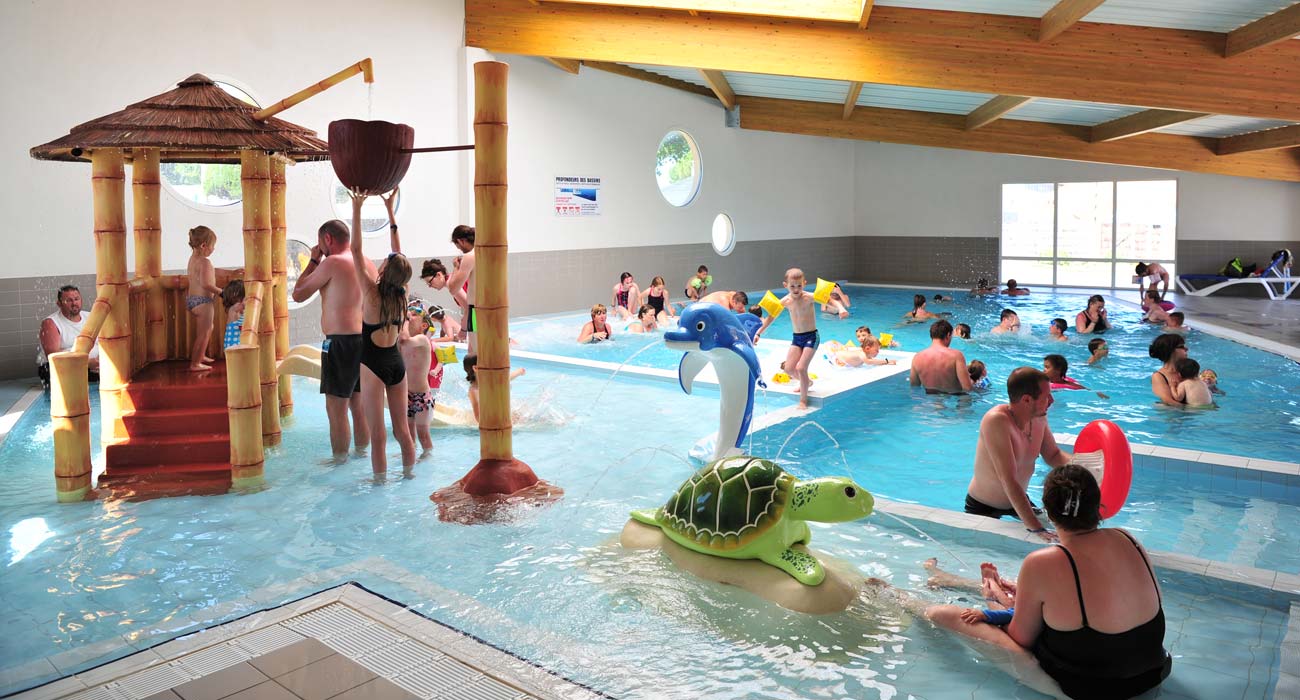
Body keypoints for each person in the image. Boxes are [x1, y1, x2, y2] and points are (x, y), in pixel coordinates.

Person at [928, 464, 1172, 699]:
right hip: (1156, 671)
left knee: (940, 613)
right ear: (1098, 505)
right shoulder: (1127, 538)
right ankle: (981, 588)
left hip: (1098, 690)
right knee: (1029, 599)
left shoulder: (1044, 562)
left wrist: (998, 607)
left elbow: (1020, 639)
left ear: (1049, 511)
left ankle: (907, 597)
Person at [343, 190, 417, 474]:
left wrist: (357, 207)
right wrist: (390, 211)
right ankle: (409, 476)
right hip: (396, 365)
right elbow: (399, 254)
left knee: (378, 436)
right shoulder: (403, 294)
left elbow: (356, 251)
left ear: (386, 269)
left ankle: (379, 485)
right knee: (402, 431)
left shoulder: (372, 294)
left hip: (372, 366)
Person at [292, 208, 370, 461]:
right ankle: (362, 454)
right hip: (365, 341)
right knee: (358, 406)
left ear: (327, 239)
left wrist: (313, 261)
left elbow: (299, 293)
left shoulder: (332, 262)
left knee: (336, 409)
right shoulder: (365, 261)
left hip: (340, 343)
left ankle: (339, 463)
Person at [965, 367, 1072, 539]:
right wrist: (1037, 529)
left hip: (1018, 499)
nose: (1051, 400)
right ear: (1027, 400)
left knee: (1063, 532)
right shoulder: (997, 421)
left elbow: (1053, 455)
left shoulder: (1039, 418)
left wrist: (1085, 464)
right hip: (984, 505)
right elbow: (1008, 479)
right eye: (1046, 397)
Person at [754, 268, 818, 409]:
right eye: (792, 286)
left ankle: (803, 401)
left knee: (801, 368)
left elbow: (828, 298)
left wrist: (841, 308)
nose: (796, 289)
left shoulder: (809, 297)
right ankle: (807, 382)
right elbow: (771, 318)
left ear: (804, 284)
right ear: (785, 285)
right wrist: (759, 332)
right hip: (797, 338)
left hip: (811, 336)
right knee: (788, 369)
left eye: (799, 286)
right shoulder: (785, 301)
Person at [36, 285, 99, 388]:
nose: (74, 303)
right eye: (68, 300)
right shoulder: (51, 323)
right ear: (59, 304)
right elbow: (53, 356)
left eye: (76, 299)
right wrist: (86, 363)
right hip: (62, 367)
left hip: (93, 366)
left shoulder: (90, 317)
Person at [399, 299, 435, 460]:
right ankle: (411, 456)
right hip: (406, 395)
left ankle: (427, 457)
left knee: (423, 434)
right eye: (409, 314)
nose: (410, 317)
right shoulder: (404, 339)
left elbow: (405, 340)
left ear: (424, 326)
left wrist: (405, 320)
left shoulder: (422, 340)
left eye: (414, 316)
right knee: (408, 434)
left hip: (422, 398)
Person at [184, 226, 222, 372]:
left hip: (193, 300)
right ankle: (195, 363)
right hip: (204, 303)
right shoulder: (205, 262)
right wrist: (221, 292)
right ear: (204, 245)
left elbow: (213, 271)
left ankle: (201, 355)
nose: (213, 249)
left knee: (208, 329)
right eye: (213, 246)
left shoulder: (194, 260)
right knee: (204, 333)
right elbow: (206, 284)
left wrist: (232, 271)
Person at [909, 320, 973, 395]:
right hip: (952, 399)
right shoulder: (956, 355)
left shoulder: (917, 357)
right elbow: (967, 388)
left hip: (929, 400)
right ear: (948, 335)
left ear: (931, 335)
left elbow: (914, 386)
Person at [463, 352, 525, 423]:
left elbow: (506, 379)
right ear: (475, 368)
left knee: (520, 416)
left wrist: (519, 372)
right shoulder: (473, 391)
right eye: (486, 364)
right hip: (491, 420)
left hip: (498, 414)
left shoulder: (488, 381)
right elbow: (478, 417)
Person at [446, 225, 476, 351]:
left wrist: (456, 267)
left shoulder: (469, 256)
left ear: (461, 241)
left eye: (457, 246)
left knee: (473, 349)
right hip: (493, 308)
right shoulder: (485, 252)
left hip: (476, 310)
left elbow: (453, 288)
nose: (459, 249)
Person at [221, 281, 245, 349]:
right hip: (234, 343)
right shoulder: (234, 308)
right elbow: (244, 304)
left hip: (235, 342)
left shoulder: (238, 310)